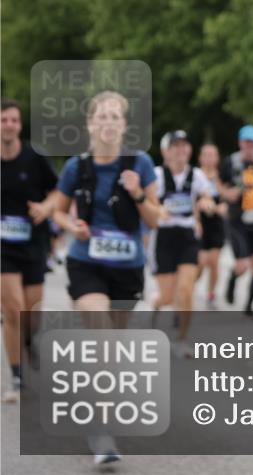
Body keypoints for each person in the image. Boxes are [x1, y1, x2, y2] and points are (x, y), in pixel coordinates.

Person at [50, 90, 162, 465]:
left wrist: (136, 193)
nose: (109, 123)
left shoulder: (140, 164)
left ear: (124, 125)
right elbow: (59, 214)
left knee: (113, 351)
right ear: (90, 123)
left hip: (128, 269)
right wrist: (73, 226)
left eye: (116, 117)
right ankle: (101, 432)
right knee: (102, 335)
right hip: (86, 263)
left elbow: (155, 218)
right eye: (103, 116)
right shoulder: (76, 167)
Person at [1, 99, 59, 403]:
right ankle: (17, 377)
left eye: (14, 120)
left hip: (33, 241)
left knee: (31, 311)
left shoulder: (34, 157)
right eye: (3, 120)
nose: (9, 125)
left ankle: (28, 339)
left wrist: (46, 207)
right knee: (12, 307)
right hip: (2, 249)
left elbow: (56, 192)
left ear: (20, 125)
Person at [151, 130, 214, 354]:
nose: (181, 150)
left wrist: (206, 202)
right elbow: (148, 203)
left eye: (184, 146)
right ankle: (157, 305)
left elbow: (206, 195)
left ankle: (182, 339)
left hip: (187, 237)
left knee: (186, 290)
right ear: (165, 151)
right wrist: (159, 209)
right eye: (175, 146)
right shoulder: (156, 175)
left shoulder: (196, 175)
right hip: (165, 237)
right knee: (168, 296)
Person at [219, 125, 253, 318]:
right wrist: (227, 193)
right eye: (246, 142)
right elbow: (218, 183)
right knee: (242, 265)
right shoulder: (231, 162)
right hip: (237, 220)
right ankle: (233, 278)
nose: (249, 146)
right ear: (240, 143)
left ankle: (249, 306)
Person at [195, 142, 227, 309]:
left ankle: (211, 294)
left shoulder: (220, 177)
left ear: (217, 158)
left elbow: (227, 198)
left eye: (212, 155)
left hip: (216, 225)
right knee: (200, 263)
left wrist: (223, 206)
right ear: (200, 157)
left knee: (214, 262)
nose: (209, 158)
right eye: (206, 154)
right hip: (199, 224)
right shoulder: (195, 176)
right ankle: (189, 287)